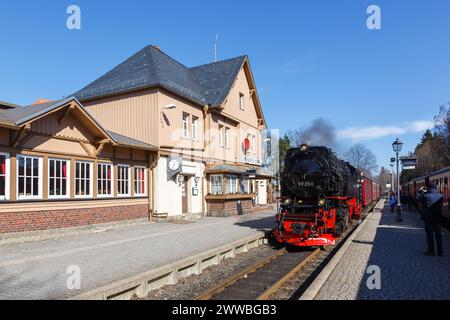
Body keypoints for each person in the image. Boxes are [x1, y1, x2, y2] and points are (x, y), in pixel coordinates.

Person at [417, 183, 444, 257]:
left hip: (428, 218)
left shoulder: (425, 196)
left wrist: (420, 192)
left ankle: (431, 251)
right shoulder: (441, 196)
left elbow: (418, 200)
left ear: (429, 188)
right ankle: (440, 252)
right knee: (438, 235)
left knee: (430, 235)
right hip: (438, 218)